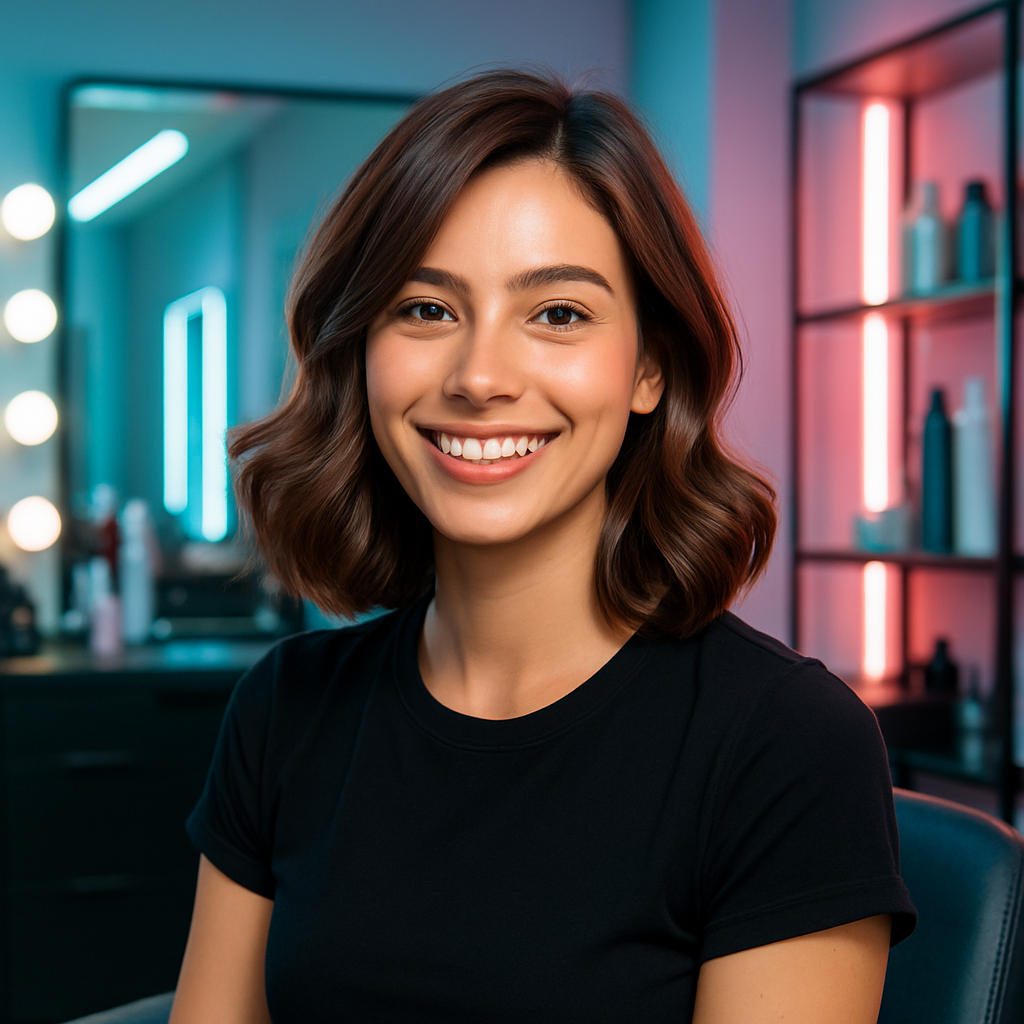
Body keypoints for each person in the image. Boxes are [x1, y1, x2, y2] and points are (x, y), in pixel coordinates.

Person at [170, 70, 916, 1023]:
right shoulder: (285, 710)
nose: (480, 377)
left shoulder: (784, 745)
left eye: (558, 314)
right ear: (361, 350)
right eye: (425, 309)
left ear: (649, 366)